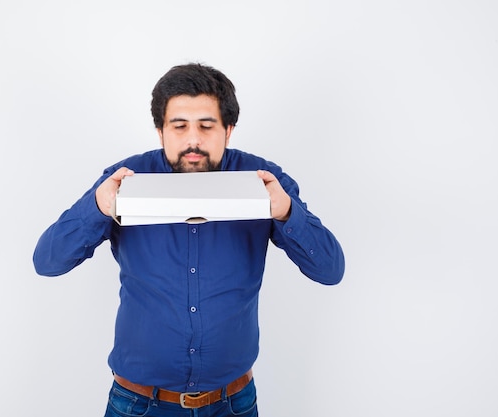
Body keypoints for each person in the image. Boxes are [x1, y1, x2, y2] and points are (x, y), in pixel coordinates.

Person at [33, 63, 345, 417]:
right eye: (179, 126)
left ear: (228, 130)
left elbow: (330, 270)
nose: (193, 140)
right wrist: (96, 207)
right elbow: (48, 262)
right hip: (138, 404)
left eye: (206, 126)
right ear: (161, 130)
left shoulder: (263, 181)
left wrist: (287, 211)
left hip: (233, 404)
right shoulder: (124, 181)